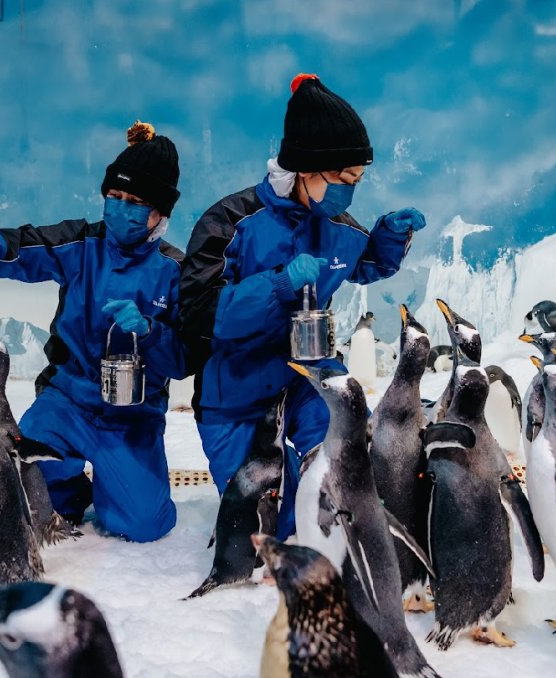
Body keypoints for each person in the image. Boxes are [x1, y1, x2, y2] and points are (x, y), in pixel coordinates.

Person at [179, 74, 426, 538]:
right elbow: (197, 314)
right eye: (342, 178)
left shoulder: (334, 223)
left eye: (358, 179)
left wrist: (390, 238)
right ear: (305, 167)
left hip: (308, 376)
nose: (349, 191)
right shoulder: (229, 222)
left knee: (346, 484)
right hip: (235, 391)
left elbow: (363, 261)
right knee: (270, 522)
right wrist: (276, 286)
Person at [0, 121, 186, 543]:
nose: (120, 208)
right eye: (114, 197)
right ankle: (66, 486)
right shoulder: (83, 244)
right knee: (23, 495)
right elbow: (22, 248)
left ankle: (115, 482)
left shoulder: (174, 271)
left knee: (142, 525)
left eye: (134, 202)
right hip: (67, 402)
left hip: (132, 415)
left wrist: (151, 331)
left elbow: (185, 359)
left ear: (160, 213)